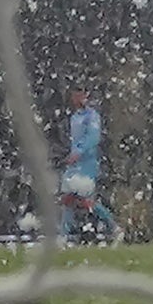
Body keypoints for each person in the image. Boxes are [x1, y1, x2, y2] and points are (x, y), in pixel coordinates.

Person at [58, 88, 116, 244]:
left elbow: (93, 137)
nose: (77, 98)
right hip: (75, 163)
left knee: (85, 199)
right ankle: (63, 233)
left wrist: (79, 151)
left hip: (87, 162)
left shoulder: (92, 116)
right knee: (67, 198)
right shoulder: (74, 117)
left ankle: (113, 226)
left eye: (80, 94)